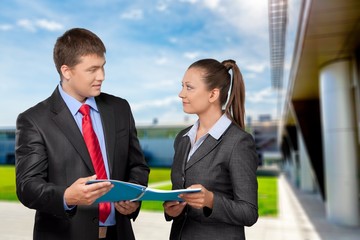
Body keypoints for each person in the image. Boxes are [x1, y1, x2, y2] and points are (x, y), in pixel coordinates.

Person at [15, 28, 150, 240]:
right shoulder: (34, 120)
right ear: (67, 71)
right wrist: (67, 196)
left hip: (119, 233)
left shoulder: (119, 108)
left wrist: (133, 198)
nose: (102, 76)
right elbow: (27, 187)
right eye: (92, 69)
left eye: (103, 67)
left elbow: (137, 166)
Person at [163, 59, 259, 240]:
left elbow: (249, 212)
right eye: (182, 86)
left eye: (189, 87)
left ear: (213, 94)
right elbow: (178, 192)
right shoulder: (183, 138)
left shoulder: (238, 142)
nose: (181, 94)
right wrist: (172, 210)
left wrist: (211, 201)